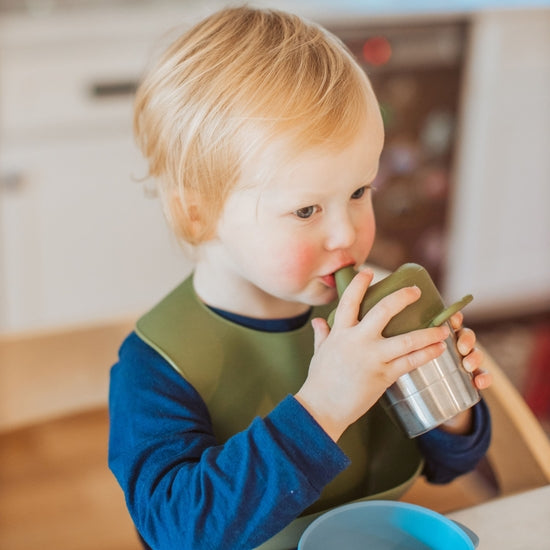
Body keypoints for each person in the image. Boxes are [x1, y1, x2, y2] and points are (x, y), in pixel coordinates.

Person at [108, 6, 492, 550]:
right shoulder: (156, 368)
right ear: (198, 214)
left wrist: (449, 404)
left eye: (360, 192)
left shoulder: (369, 311)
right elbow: (179, 532)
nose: (348, 234)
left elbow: (453, 465)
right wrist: (325, 406)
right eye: (307, 211)